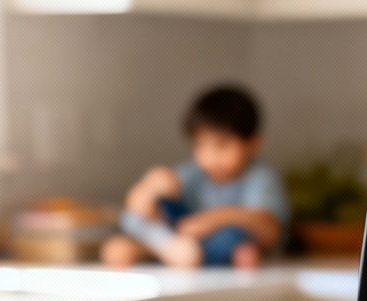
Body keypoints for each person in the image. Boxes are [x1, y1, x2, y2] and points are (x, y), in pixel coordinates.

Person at [101, 86, 288, 270]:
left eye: (221, 146)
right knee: (145, 207)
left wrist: (211, 219)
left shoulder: (259, 176)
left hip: (213, 245)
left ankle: (159, 250)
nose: (210, 157)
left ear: (252, 142)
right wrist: (149, 188)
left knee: (235, 240)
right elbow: (137, 211)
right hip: (181, 242)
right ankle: (158, 248)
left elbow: (269, 229)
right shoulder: (194, 173)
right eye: (200, 145)